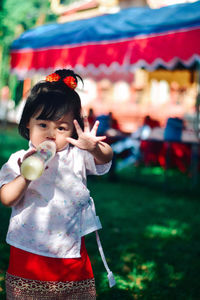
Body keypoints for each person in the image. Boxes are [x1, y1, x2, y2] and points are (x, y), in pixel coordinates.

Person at [0, 69, 114, 300]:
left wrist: (92, 147)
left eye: (61, 128)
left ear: (73, 130)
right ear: (27, 125)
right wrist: (26, 175)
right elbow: (7, 198)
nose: (51, 134)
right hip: (28, 253)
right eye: (43, 125)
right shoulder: (19, 160)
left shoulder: (77, 155)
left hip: (69, 253)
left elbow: (106, 157)